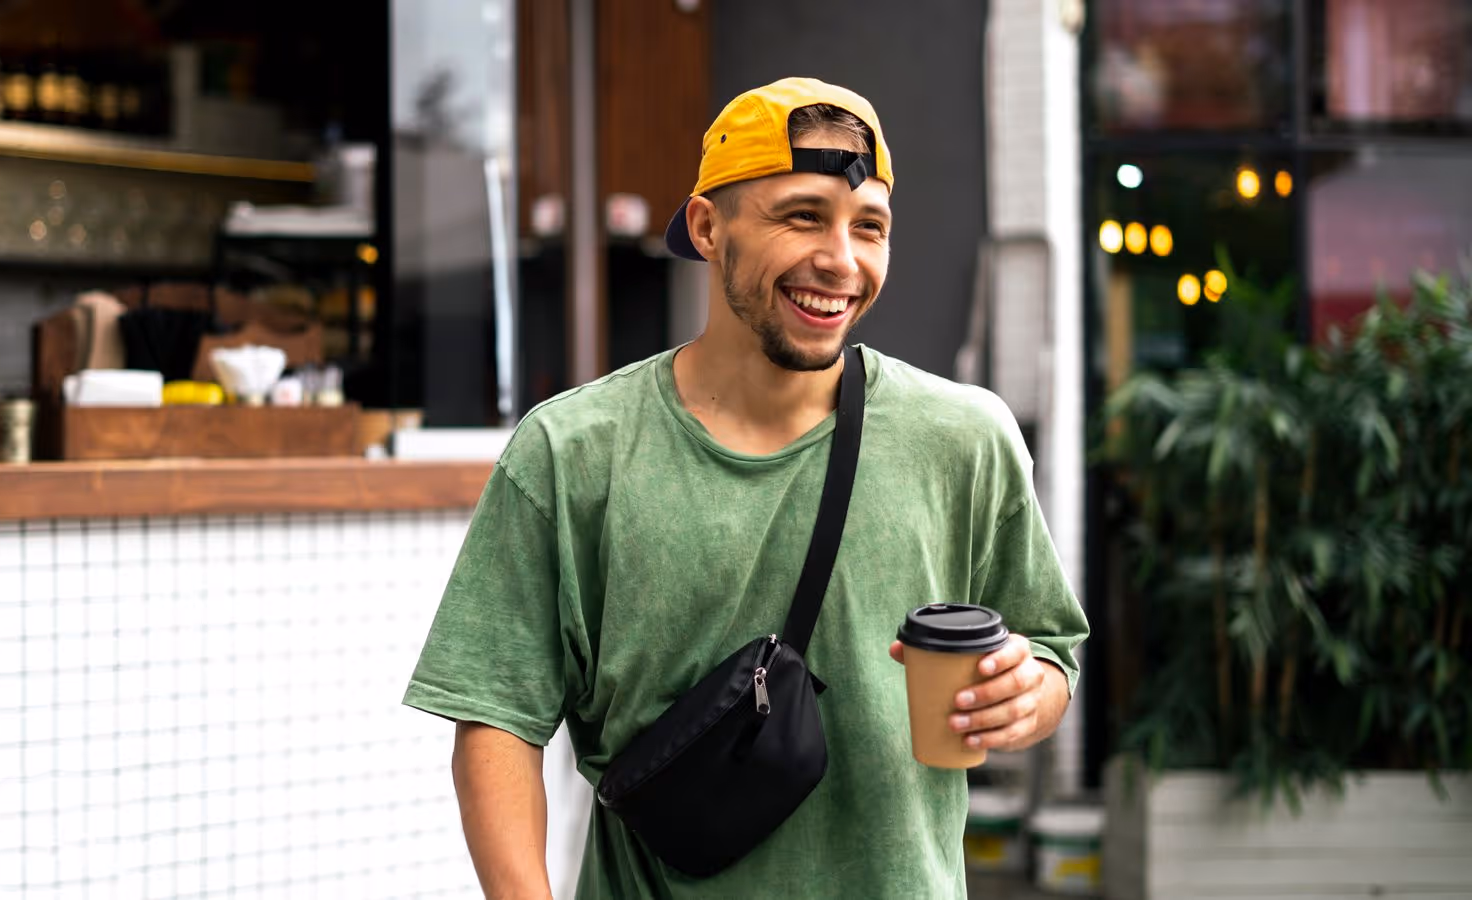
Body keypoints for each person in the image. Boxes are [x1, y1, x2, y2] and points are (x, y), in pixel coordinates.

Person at [403, 76, 1090, 899]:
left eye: (869, 227)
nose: (841, 261)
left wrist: (1028, 693)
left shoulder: (964, 438)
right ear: (707, 228)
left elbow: (1049, 653)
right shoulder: (572, 453)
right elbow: (496, 718)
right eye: (802, 216)